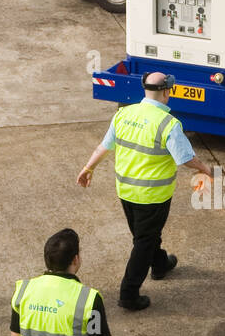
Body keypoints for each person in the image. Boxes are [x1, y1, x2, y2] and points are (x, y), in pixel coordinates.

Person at [77, 73, 214, 311]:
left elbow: (104, 146)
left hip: (126, 191)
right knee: (144, 240)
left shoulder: (123, 114)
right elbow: (185, 158)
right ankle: (128, 294)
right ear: (166, 92)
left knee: (146, 234)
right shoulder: (167, 123)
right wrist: (205, 169)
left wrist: (88, 167)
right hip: (152, 195)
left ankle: (160, 264)